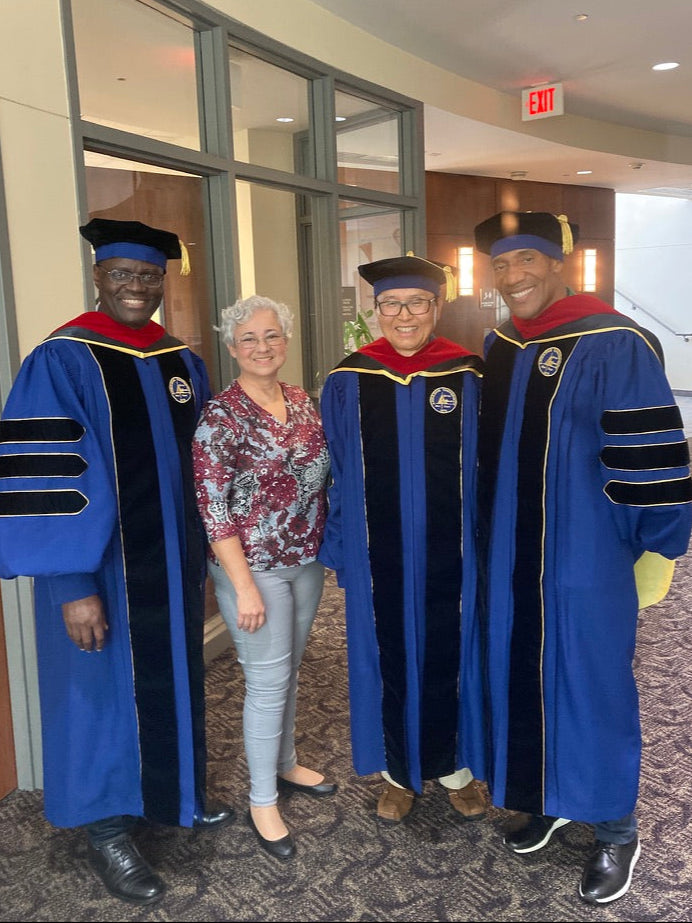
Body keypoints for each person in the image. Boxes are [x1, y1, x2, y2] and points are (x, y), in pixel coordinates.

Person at [0, 218, 234, 907]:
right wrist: (72, 585)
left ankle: (172, 792)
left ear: (163, 282)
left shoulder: (180, 362)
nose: (136, 287)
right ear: (98, 276)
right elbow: (47, 481)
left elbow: (204, 466)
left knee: (174, 678)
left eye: (149, 276)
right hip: (98, 572)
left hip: (171, 567)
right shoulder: (63, 359)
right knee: (100, 693)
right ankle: (107, 830)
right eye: (122, 274)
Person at [473, 210, 692, 905]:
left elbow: (647, 452)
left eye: (527, 260)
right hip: (509, 551)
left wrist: (651, 537)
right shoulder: (502, 344)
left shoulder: (616, 342)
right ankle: (546, 796)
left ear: (558, 262)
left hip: (585, 553)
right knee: (519, 673)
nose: (513, 276)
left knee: (591, 681)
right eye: (501, 264)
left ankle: (616, 828)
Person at [318, 255, 487, 824]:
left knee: (455, 653)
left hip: (454, 553)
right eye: (391, 304)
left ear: (437, 307)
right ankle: (397, 773)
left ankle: (456, 768)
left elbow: (489, 470)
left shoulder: (468, 374)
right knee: (383, 656)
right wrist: (342, 547)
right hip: (378, 554)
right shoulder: (349, 379)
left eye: (417, 302)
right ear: (376, 310)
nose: (404, 315)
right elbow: (336, 470)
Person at [192, 294, 334, 861]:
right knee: (267, 683)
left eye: (271, 335)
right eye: (248, 338)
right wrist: (244, 586)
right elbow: (213, 508)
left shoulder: (302, 401)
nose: (262, 347)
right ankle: (262, 800)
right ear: (232, 348)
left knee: (289, 670)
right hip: (251, 569)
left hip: (305, 561)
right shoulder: (220, 417)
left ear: (286, 340)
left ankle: (285, 762)